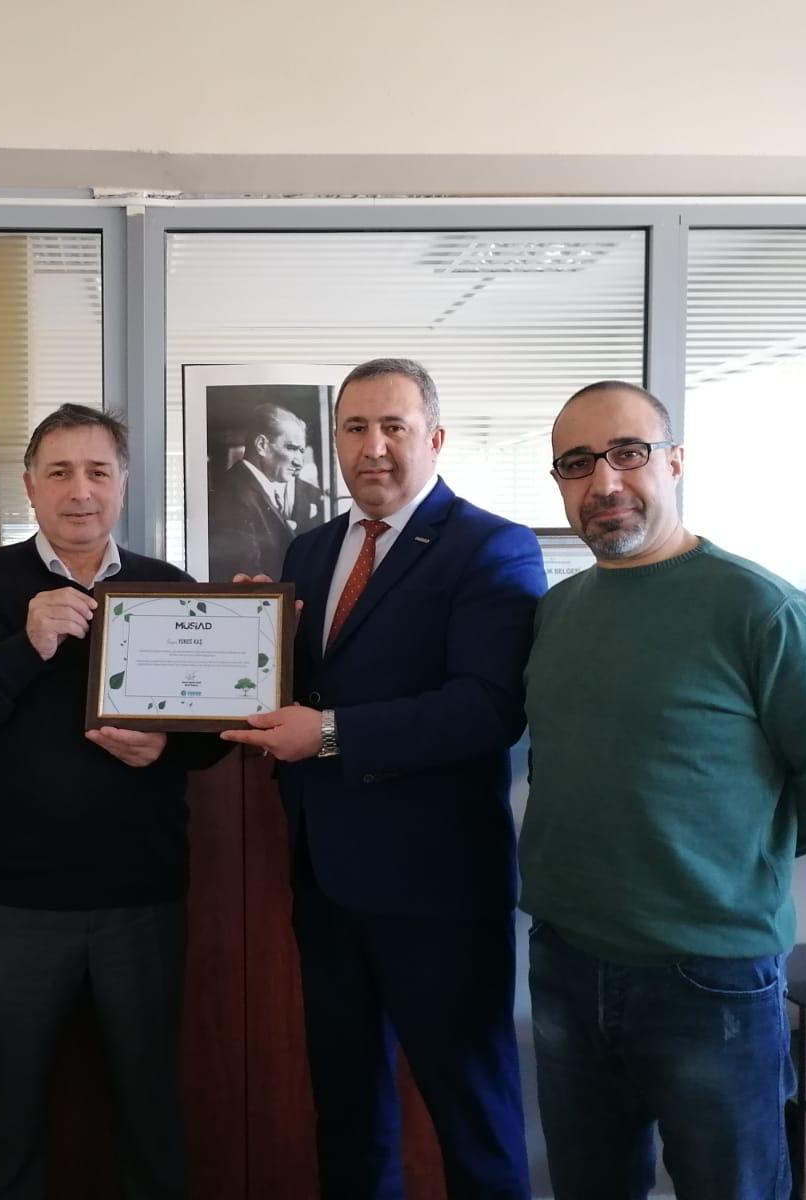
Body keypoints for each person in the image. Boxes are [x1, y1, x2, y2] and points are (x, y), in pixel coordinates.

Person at [519, 380, 806, 1200]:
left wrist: (732, 857)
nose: (604, 481)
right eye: (577, 463)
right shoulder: (559, 611)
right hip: (567, 961)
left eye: (628, 453)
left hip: (709, 979)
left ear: (675, 462)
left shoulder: (760, 608)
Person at [224, 359, 545, 1200]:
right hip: (326, 878)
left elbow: (487, 709)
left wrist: (330, 733)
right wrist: (254, 637)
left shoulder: (491, 546)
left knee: (472, 1118)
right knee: (347, 1110)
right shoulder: (310, 549)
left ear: (434, 438)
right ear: (334, 442)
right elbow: (311, 684)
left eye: (393, 427)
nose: (373, 447)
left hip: (437, 892)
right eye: (355, 429)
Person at [0, 404, 230, 1200]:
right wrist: (24, 646)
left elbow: (214, 732)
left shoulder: (168, 588)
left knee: (148, 1106)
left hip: (142, 897)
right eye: (60, 472)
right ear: (30, 487)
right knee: (4, 1109)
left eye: (98, 472)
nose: (80, 491)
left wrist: (167, 747)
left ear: (123, 484)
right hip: (11, 903)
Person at [209, 403, 326, 581]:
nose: (299, 462)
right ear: (262, 445)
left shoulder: (253, 488)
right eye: (291, 448)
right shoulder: (230, 494)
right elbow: (250, 575)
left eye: (301, 451)